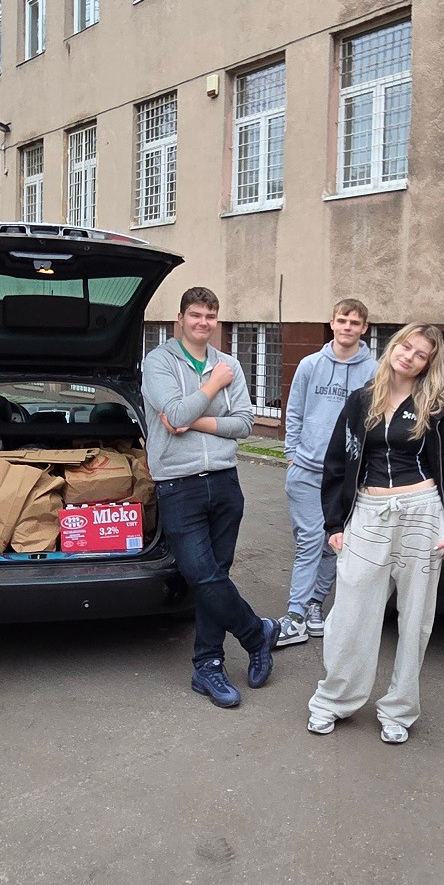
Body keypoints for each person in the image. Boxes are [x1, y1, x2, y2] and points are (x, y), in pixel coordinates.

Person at [307, 323, 444, 745]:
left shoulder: (436, 408)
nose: (409, 356)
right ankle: (333, 700)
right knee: (349, 612)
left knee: (415, 618)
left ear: (428, 364)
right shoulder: (361, 400)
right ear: (393, 346)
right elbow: (337, 462)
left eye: (421, 354)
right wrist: (334, 523)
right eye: (406, 346)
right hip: (368, 511)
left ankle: (399, 710)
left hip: (421, 513)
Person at [143, 286, 277, 708]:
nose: (203, 323)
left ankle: (208, 665)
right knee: (201, 575)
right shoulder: (159, 362)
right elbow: (173, 413)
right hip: (177, 483)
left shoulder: (229, 363)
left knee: (216, 575)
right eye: (196, 315)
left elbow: (245, 424)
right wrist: (213, 387)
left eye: (210, 316)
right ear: (180, 318)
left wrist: (194, 421)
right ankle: (257, 634)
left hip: (224, 481)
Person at [274, 298, 376, 647]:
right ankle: (295, 615)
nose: (347, 327)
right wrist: (292, 455)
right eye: (342, 320)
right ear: (331, 323)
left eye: (354, 322)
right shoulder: (309, 365)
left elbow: (375, 421)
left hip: (347, 476)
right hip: (306, 469)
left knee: (334, 543)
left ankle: (315, 603)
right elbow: (295, 411)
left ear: (364, 328)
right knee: (310, 540)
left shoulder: (374, 371)